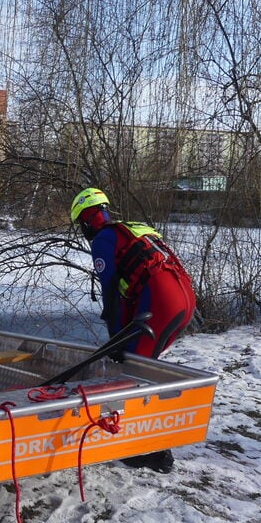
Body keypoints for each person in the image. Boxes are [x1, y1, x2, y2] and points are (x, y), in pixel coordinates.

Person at [70, 187, 196, 474]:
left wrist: (116, 339)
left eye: (81, 225)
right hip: (184, 297)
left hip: (163, 301)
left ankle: (153, 451)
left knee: (133, 370)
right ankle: (149, 444)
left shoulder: (103, 239)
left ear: (86, 221)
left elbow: (111, 294)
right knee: (142, 366)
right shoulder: (131, 229)